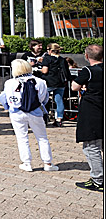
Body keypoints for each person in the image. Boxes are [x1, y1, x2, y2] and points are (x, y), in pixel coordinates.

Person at [0, 59, 57, 172]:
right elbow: (44, 99)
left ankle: (27, 163)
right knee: (42, 138)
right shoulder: (40, 82)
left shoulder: (9, 83)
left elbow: (3, 97)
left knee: (22, 138)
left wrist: (8, 107)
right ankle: (48, 163)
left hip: (16, 112)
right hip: (35, 112)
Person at [71, 44, 103, 192]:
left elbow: (74, 87)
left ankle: (98, 180)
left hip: (92, 111)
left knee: (92, 147)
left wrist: (84, 86)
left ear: (86, 56)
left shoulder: (88, 71)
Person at [39, 43, 70, 126]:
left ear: (51, 50)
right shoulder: (62, 60)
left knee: (44, 100)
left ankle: (44, 117)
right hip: (60, 82)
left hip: (49, 81)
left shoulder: (47, 58)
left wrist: (38, 69)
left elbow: (45, 71)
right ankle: (59, 119)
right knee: (59, 100)